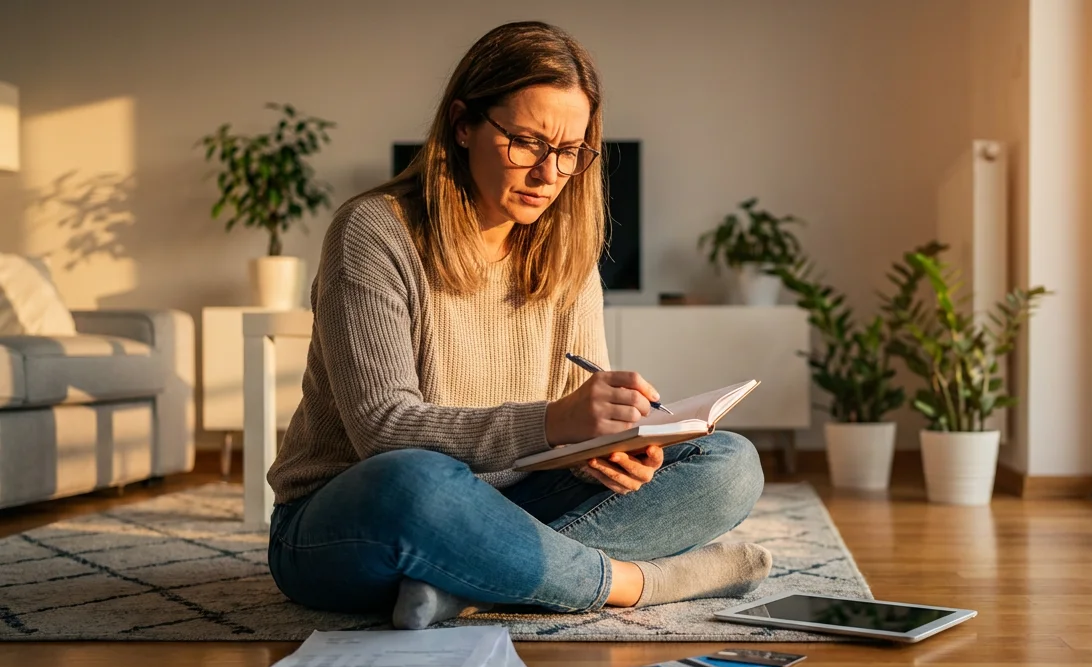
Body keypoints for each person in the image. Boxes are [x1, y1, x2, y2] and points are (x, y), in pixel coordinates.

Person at [265, 21, 770, 630]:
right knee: (415, 484)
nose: (549, 173)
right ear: (462, 124)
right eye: (527, 142)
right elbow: (383, 431)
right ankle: (631, 584)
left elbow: (574, 439)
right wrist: (555, 421)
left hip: (517, 501)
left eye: (569, 152)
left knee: (729, 463)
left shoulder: (568, 255)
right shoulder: (374, 231)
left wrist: (612, 450)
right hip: (352, 515)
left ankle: (469, 583)